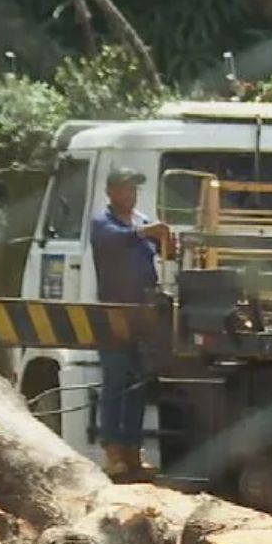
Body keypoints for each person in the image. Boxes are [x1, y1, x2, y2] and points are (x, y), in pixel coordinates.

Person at [90, 167, 169, 481]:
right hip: (113, 315)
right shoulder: (103, 223)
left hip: (142, 315)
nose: (130, 195)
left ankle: (133, 450)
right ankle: (113, 452)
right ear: (110, 192)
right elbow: (114, 241)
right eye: (125, 189)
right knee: (114, 381)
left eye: (134, 190)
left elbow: (154, 251)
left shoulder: (140, 219)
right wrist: (147, 232)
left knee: (137, 384)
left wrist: (164, 240)